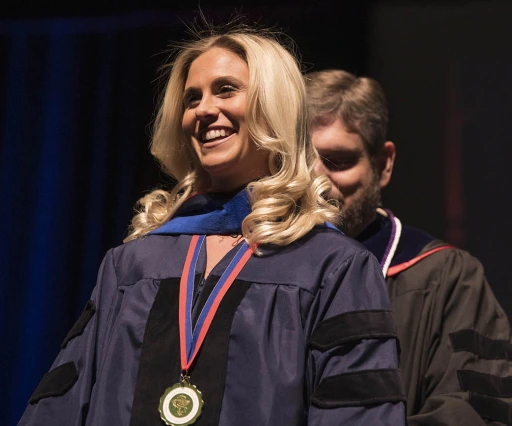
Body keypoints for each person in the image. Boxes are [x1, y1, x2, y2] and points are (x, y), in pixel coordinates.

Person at [17, 27, 408, 426]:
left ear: (275, 106)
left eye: (225, 90)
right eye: (192, 98)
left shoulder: (333, 267)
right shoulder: (132, 264)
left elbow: (360, 414)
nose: (203, 109)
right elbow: (58, 406)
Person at [305, 69, 512, 425]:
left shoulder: (446, 278)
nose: (317, 184)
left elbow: (479, 412)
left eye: (339, 161)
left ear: (384, 163)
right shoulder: (258, 267)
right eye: (301, 163)